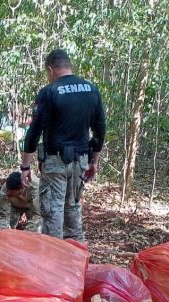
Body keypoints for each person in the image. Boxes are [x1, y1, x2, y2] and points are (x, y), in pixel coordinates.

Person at [20, 49, 106, 240]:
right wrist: (94, 161)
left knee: (53, 215)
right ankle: (77, 264)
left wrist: (25, 166)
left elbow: (34, 132)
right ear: (69, 66)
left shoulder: (49, 92)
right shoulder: (91, 90)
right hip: (80, 161)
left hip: (55, 162)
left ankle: (54, 266)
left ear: (50, 69)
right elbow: (100, 129)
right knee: (73, 212)